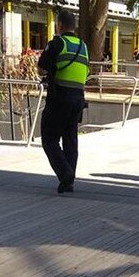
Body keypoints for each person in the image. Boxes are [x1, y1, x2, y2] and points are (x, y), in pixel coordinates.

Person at [38, 10, 89, 194]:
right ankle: (68, 183)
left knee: (49, 139)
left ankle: (65, 173)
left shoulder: (58, 43)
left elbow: (41, 69)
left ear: (59, 25)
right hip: (79, 98)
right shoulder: (83, 46)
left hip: (59, 97)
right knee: (70, 140)